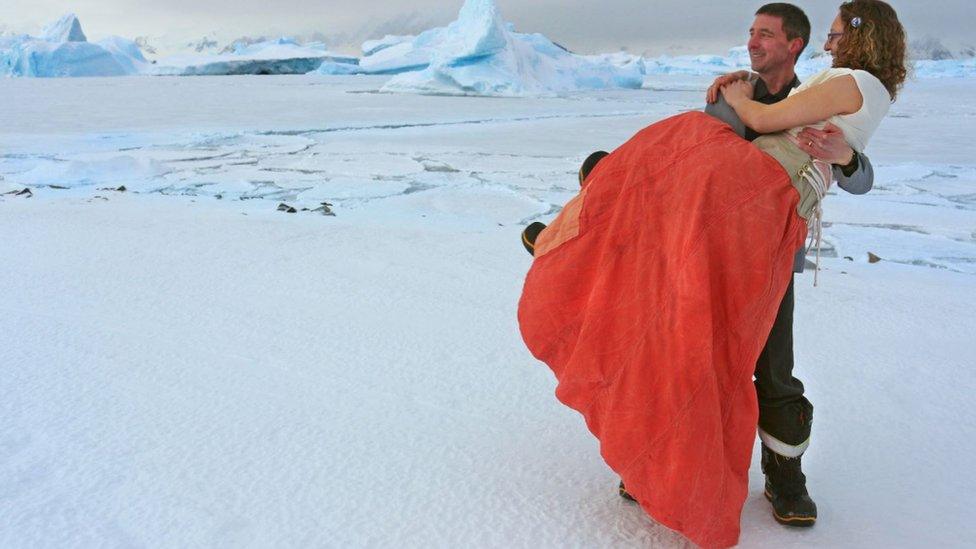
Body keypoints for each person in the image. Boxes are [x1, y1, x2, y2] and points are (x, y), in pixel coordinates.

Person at [517, 1, 907, 547]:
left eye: (766, 35)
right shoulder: (739, 91)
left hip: (763, 250)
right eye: (751, 34)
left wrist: (842, 158)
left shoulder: (817, 88)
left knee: (771, 369)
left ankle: (785, 480)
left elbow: (850, 165)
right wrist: (730, 101)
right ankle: (656, 462)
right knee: (678, 348)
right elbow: (695, 169)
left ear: (793, 43)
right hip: (703, 247)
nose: (754, 43)